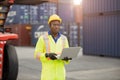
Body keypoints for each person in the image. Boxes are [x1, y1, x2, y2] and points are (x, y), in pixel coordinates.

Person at [34, 14, 71, 80]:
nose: (56, 27)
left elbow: (68, 55)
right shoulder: (43, 38)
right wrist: (47, 55)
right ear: (50, 25)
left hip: (60, 75)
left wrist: (67, 58)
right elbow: (36, 55)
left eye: (58, 25)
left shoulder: (64, 39)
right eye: (54, 24)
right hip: (48, 75)